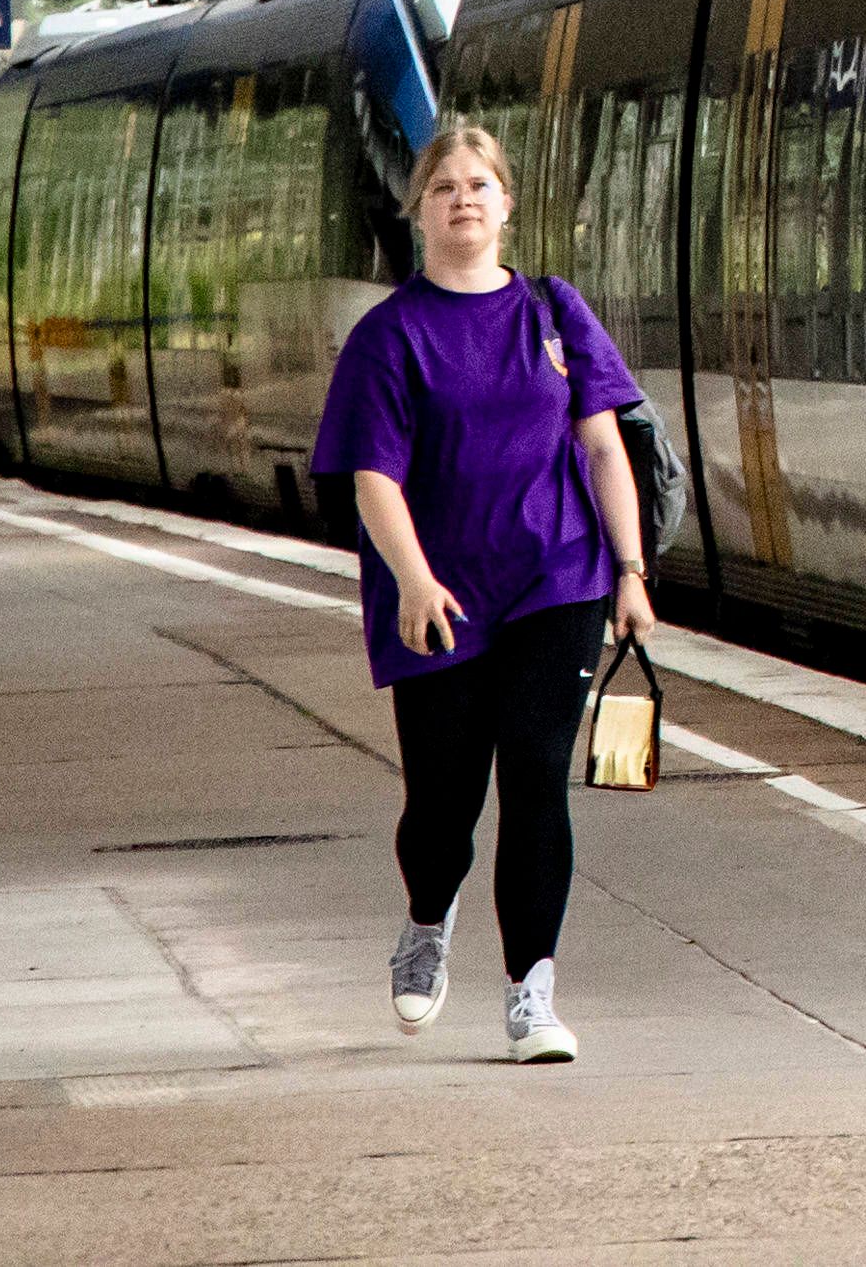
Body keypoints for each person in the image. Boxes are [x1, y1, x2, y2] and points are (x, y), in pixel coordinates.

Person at [312, 118, 657, 1063]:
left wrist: (628, 571)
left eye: (480, 183)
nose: (463, 197)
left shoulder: (554, 311)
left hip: (558, 575)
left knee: (538, 774)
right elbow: (371, 479)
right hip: (438, 595)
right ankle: (428, 917)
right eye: (443, 186)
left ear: (506, 203)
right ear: (419, 209)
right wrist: (413, 578)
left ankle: (531, 993)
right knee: (443, 802)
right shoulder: (389, 337)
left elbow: (601, 442)